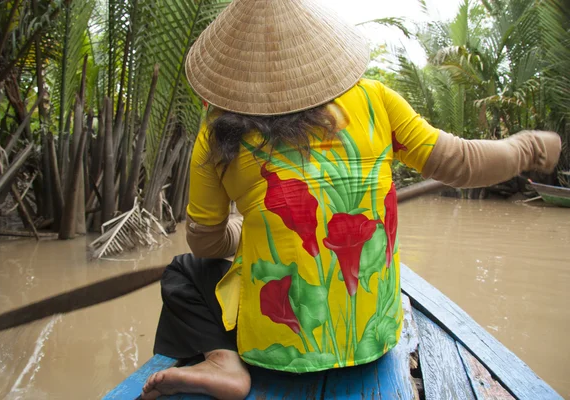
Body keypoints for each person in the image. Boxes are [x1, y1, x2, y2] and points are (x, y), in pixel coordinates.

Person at [141, 0, 562, 398]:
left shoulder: (217, 132)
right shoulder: (375, 100)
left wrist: (246, 230)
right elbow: (462, 162)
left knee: (184, 271)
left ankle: (222, 360)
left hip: (274, 352)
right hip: (372, 342)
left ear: (232, 74)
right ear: (318, 52)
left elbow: (206, 243)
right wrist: (528, 148)